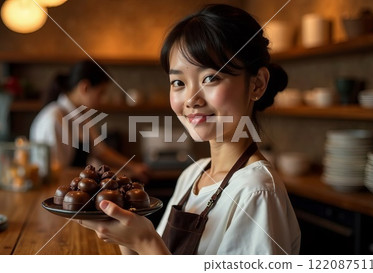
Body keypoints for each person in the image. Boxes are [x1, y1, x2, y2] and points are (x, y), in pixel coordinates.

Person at [78, 4, 300, 254]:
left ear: (257, 84)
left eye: (210, 78)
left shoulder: (257, 192)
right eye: (178, 82)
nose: (191, 99)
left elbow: (154, 250)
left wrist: (145, 242)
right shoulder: (192, 175)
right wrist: (124, 235)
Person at [30, 60, 149, 183]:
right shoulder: (54, 118)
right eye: (100, 93)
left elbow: (101, 152)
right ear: (85, 87)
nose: (102, 100)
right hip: (57, 189)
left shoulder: (82, 116)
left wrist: (132, 167)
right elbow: (56, 171)